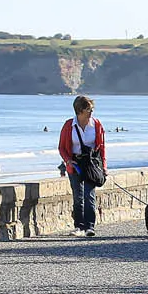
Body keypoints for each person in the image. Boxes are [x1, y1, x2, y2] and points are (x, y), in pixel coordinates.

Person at [58, 96, 106, 237]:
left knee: (89, 195)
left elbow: (102, 147)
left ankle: (90, 226)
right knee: (78, 196)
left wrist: (104, 166)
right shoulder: (69, 126)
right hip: (75, 164)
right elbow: (61, 147)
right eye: (88, 110)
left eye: (92, 109)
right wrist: (67, 160)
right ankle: (79, 226)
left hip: (91, 164)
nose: (91, 112)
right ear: (79, 111)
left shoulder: (96, 124)